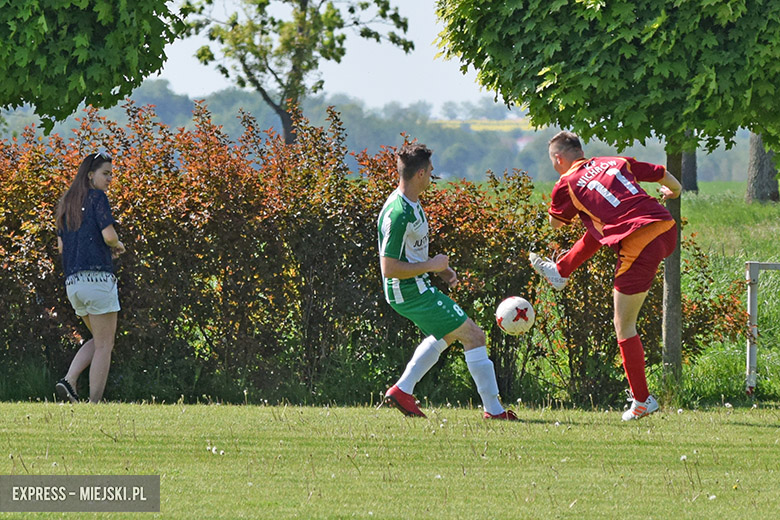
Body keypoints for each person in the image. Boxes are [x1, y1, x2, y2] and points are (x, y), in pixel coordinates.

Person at [530, 131, 682, 421]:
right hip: (665, 226)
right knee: (601, 225)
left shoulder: (566, 184)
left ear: (559, 159)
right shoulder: (615, 161)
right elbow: (661, 173)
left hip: (640, 240)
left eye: (553, 161)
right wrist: (673, 192)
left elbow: (555, 225)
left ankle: (642, 400)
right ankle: (561, 271)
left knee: (623, 324)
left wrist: (566, 203)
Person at [377, 143, 517, 420]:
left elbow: (411, 252)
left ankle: (402, 390)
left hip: (417, 286)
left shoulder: (412, 205)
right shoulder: (398, 213)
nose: (432, 175)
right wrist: (431, 265)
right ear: (419, 174)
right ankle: (495, 411)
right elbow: (389, 268)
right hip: (408, 291)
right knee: (475, 336)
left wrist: (442, 271)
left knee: (447, 335)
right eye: (430, 171)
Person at [54, 152, 125, 404]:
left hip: (73, 285)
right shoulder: (97, 198)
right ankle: (94, 404)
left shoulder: (65, 205)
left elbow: (63, 248)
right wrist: (118, 245)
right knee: (105, 345)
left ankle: (69, 380)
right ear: (90, 175)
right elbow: (108, 235)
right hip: (97, 282)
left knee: (99, 339)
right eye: (106, 174)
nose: (109, 179)